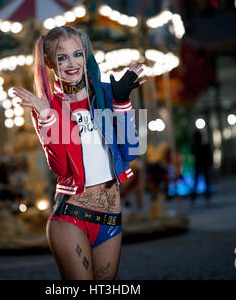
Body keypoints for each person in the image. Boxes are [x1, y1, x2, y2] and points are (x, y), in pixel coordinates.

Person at [12, 26, 145, 280]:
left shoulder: (107, 93)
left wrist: (122, 103)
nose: (71, 63)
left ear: (86, 54)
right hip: (70, 217)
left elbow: (130, 151)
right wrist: (49, 117)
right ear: (49, 62)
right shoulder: (47, 106)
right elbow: (61, 168)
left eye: (77, 54)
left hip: (110, 217)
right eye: (61, 57)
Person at [190, 130, 213, 207]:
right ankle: (207, 200)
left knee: (197, 184)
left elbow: (192, 154)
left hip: (199, 166)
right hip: (204, 166)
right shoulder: (204, 145)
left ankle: (193, 201)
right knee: (206, 184)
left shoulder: (195, 146)